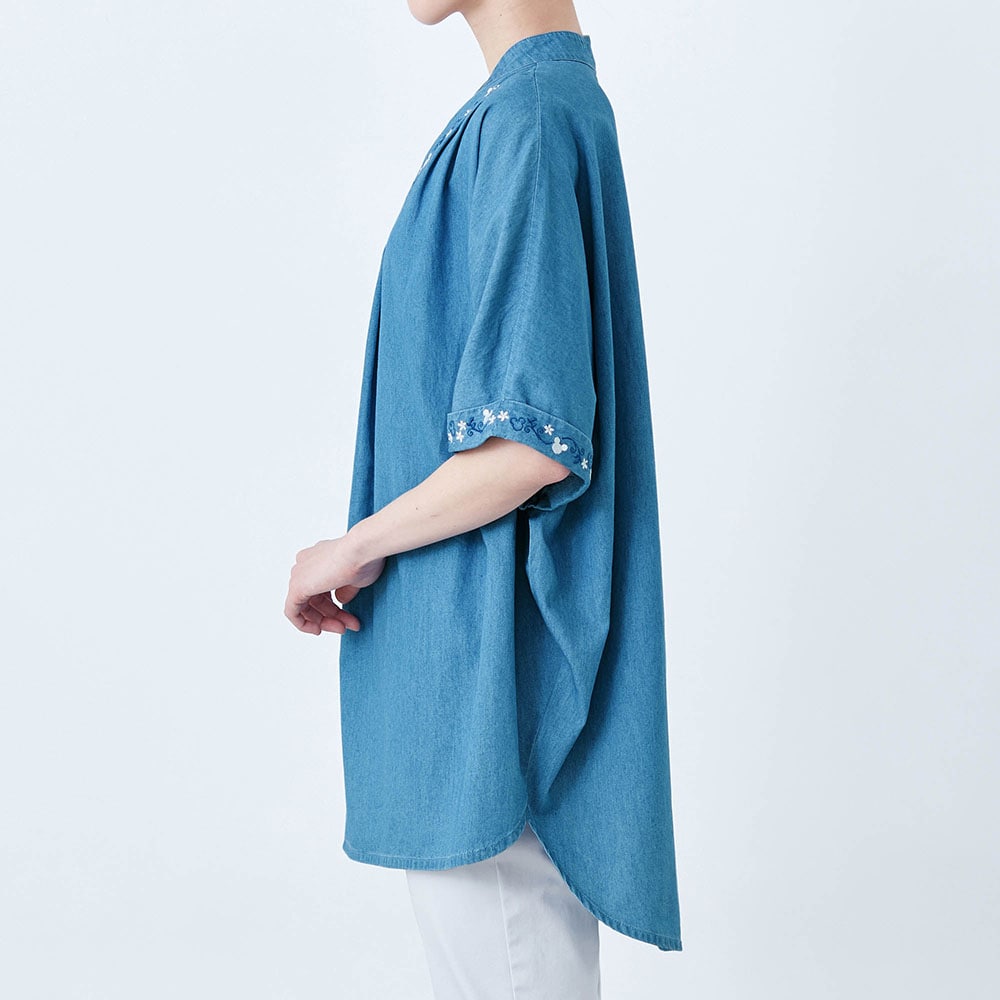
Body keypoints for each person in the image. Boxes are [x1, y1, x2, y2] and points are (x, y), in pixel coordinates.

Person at [285, 2, 682, 996]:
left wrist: (351, 546)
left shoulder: (528, 118)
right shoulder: (537, 105)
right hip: (474, 683)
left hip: (490, 696)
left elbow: (527, 447)